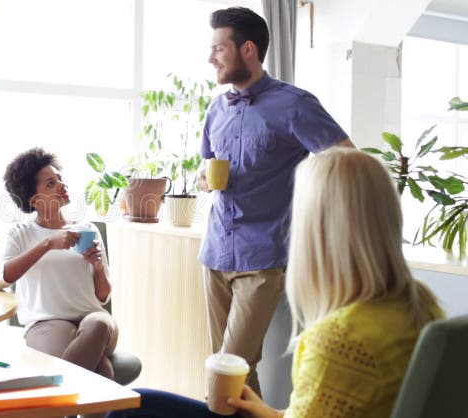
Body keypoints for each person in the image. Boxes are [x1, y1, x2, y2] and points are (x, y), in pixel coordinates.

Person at [109, 148, 443, 418]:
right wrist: (265, 411)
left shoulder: (340, 338)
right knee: (141, 401)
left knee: (132, 409)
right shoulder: (419, 304)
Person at [197, 6, 353, 393]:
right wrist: (204, 178)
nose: (210, 58)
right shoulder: (217, 108)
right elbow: (204, 168)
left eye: (219, 49)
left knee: (232, 367)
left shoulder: (294, 104)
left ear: (247, 49)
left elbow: (350, 162)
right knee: (227, 365)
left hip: (263, 256)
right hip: (215, 252)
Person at [0, 147, 118, 380]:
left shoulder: (87, 230)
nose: (62, 185)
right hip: (46, 325)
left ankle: (54, 406)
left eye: (59, 178)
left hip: (93, 320)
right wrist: (48, 244)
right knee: (102, 371)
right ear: (35, 200)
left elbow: (103, 296)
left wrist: (98, 265)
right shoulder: (21, 233)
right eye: (51, 183)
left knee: (99, 324)